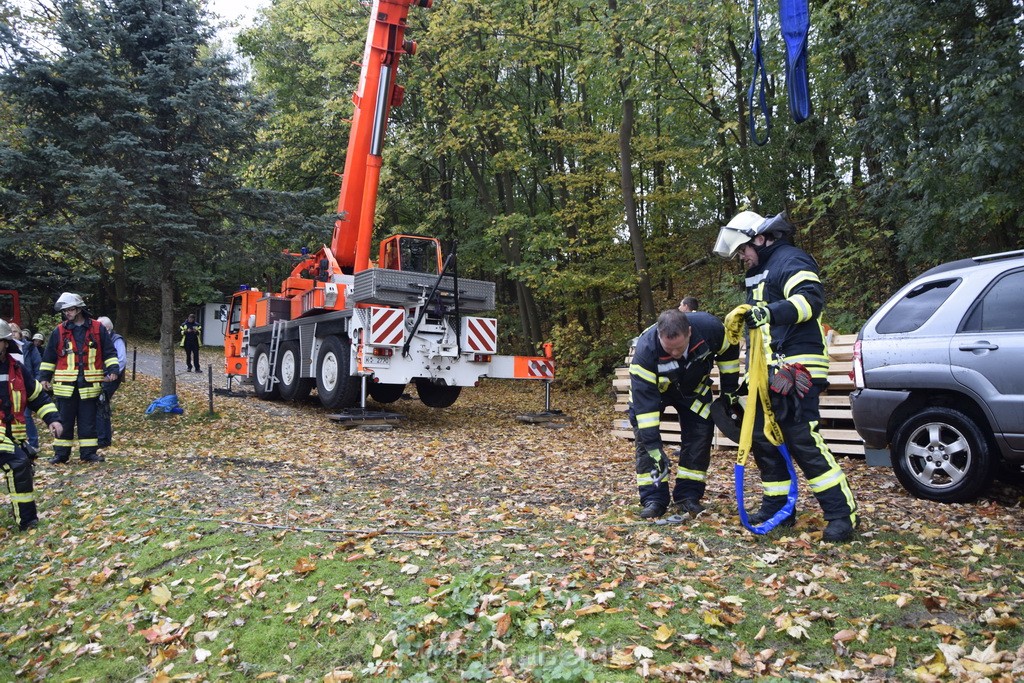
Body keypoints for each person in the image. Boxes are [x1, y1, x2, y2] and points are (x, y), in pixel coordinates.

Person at [713, 210, 859, 542]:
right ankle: (778, 508)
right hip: (766, 371)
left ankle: (841, 515)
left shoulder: (790, 259)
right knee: (765, 441)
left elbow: (811, 301)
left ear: (760, 238)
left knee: (801, 439)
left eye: (743, 250)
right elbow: (761, 332)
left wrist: (767, 312)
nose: (741, 258)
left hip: (798, 367)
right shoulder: (761, 270)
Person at [628, 309, 740, 520]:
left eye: (679, 348)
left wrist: (729, 394)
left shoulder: (711, 329)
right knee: (647, 444)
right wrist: (654, 447)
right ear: (659, 335)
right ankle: (654, 499)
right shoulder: (645, 351)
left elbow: (729, 354)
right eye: (669, 350)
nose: (675, 354)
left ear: (689, 332)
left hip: (693, 391)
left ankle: (688, 496)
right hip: (655, 395)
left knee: (699, 438)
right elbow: (645, 408)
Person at [38, 292, 120, 464]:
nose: (67, 313)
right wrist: (44, 377)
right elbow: (49, 357)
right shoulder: (59, 331)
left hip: (89, 385)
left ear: (80, 309)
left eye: (70, 309)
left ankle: (88, 454)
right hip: (65, 386)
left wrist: (113, 369)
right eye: (65, 310)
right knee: (64, 421)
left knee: (88, 422)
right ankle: (61, 454)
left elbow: (110, 352)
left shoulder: (98, 329)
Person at [0, 318, 64, 530]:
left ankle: (28, 521)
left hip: (11, 437)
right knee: (18, 464)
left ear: (6, 343)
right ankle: (28, 521)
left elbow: (38, 397)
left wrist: (53, 419)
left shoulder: (16, 369)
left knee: (21, 466)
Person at [95, 316, 126, 450]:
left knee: (101, 405)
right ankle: (101, 437)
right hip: (100, 377)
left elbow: (121, 360)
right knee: (99, 405)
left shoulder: (116, 339)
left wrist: (109, 376)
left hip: (110, 378)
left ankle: (103, 439)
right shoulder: (101, 339)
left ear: (107, 328)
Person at [9, 322, 42, 450]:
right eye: (10, 332)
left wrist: (36, 383)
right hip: (10, 388)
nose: (12, 334)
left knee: (26, 416)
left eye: (15, 332)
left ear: (20, 334)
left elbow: (37, 366)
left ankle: (33, 444)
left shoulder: (28, 347)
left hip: (26, 386)